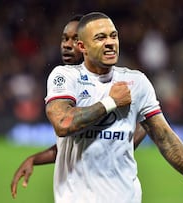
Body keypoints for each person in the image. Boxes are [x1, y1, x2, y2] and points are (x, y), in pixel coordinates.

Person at [44, 12, 183, 203]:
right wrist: (110, 103)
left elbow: (164, 136)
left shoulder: (136, 82)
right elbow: (63, 123)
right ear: (82, 46)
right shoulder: (66, 76)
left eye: (114, 36)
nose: (111, 43)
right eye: (100, 38)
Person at [10, 14, 148, 199]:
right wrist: (35, 159)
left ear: (87, 43)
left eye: (75, 39)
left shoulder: (117, 84)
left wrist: (119, 148)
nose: (67, 45)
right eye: (64, 39)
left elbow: (145, 121)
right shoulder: (66, 81)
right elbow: (74, 142)